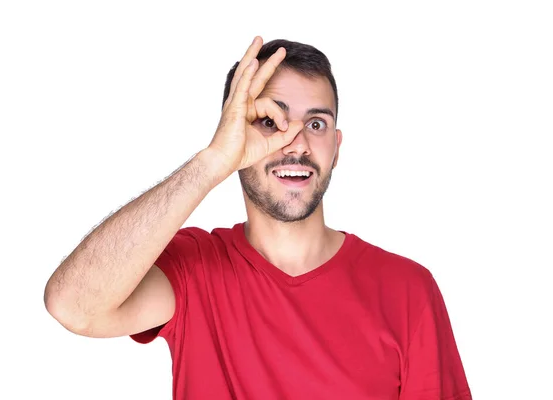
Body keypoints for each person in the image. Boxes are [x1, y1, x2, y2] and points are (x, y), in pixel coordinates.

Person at [44, 36, 472, 399]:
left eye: (317, 124)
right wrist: (212, 162)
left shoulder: (407, 289)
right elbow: (73, 306)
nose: (297, 143)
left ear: (337, 148)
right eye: (272, 121)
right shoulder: (194, 271)